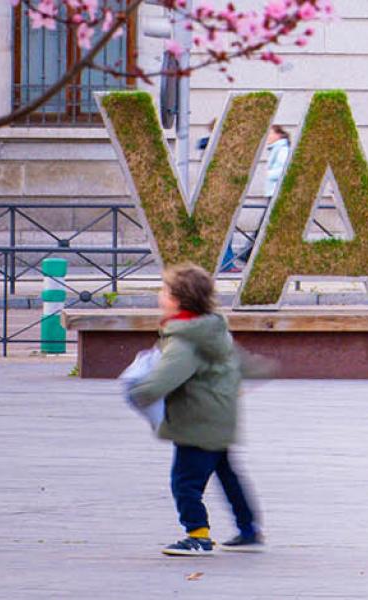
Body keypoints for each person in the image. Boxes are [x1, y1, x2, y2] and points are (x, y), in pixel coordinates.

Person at [127, 265, 266, 556]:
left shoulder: (185, 339)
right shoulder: (213, 329)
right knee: (228, 475)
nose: (160, 295)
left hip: (197, 422)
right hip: (220, 417)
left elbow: (168, 374)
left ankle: (197, 535)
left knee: (185, 482)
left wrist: (141, 392)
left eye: (164, 291)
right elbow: (238, 361)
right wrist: (259, 368)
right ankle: (249, 530)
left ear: (178, 299)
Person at [219, 126, 290, 272]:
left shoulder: (282, 149)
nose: (268, 137)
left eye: (270, 133)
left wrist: (270, 174)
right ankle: (250, 255)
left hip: (277, 192)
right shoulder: (277, 148)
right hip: (274, 192)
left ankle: (249, 255)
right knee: (266, 226)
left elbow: (285, 168)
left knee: (266, 226)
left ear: (278, 134)